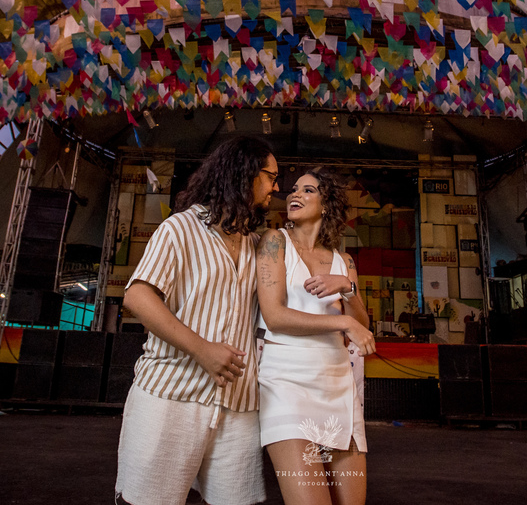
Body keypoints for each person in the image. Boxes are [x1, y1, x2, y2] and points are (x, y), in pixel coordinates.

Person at [115, 136, 279, 505]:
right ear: (246, 173)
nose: (276, 187)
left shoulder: (256, 244)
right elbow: (138, 297)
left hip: (238, 402)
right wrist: (202, 349)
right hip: (172, 394)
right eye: (271, 176)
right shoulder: (180, 228)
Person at [255, 167, 375, 505]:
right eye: (294, 189)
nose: (294, 194)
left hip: (337, 384)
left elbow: (362, 326)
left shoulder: (344, 261)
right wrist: (342, 323)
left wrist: (348, 289)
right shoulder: (274, 241)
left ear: (326, 204)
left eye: (308, 190)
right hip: (286, 384)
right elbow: (275, 317)